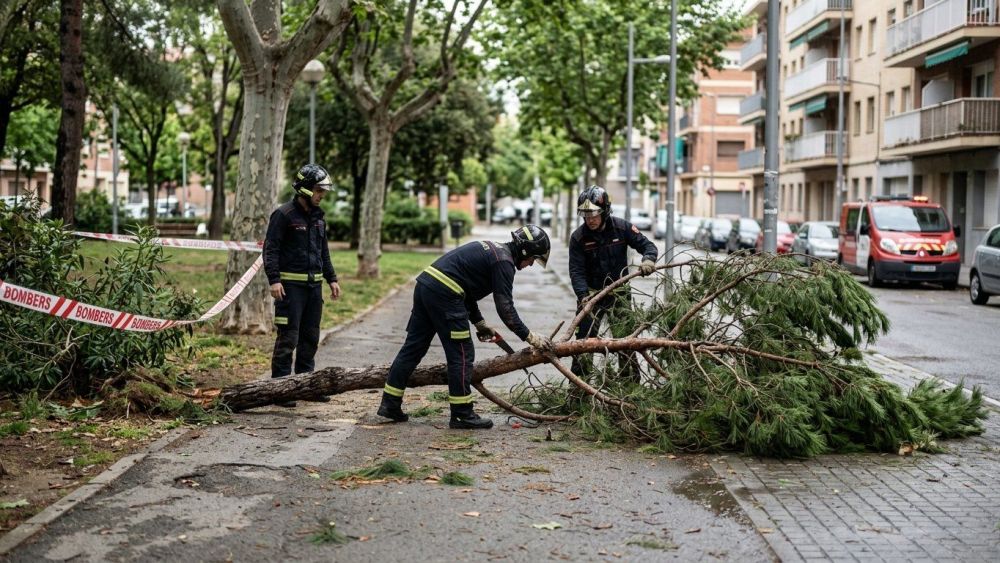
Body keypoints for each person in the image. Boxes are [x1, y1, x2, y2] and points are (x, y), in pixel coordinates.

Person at [377, 225, 554, 429]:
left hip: (426, 286)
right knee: (461, 353)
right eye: (532, 259)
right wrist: (530, 337)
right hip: (445, 295)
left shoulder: (493, 249)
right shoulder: (504, 263)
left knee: (413, 347)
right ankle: (462, 414)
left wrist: (479, 322)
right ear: (525, 251)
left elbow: (465, 288)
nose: (531, 264)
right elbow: (506, 309)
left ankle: (390, 403)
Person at [263, 163, 342, 407]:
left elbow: (323, 251)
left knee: (310, 338)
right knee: (288, 339)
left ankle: (307, 386)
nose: (322, 195)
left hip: (313, 289)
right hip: (290, 290)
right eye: (318, 190)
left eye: (323, 191)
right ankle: (281, 390)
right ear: (305, 189)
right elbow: (271, 249)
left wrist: (332, 278)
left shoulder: (319, 217)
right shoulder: (284, 215)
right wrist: (274, 280)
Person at [568, 185, 658, 378]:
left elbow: (648, 246)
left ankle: (630, 385)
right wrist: (583, 296)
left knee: (625, 342)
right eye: (586, 215)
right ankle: (579, 389)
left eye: (594, 215)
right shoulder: (578, 238)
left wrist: (648, 260)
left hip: (619, 295)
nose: (590, 220)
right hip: (590, 297)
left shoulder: (622, 228)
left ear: (605, 211)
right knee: (583, 342)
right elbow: (576, 271)